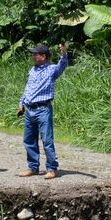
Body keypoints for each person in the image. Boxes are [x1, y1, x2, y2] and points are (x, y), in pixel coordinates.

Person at [17, 43, 68, 179]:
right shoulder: (32, 70)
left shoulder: (51, 70)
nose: (33, 56)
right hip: (29, 110)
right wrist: (21, 103)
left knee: (47, 140)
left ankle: (51, 168)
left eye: (35, 54)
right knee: (29, 140)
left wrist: (63, 54)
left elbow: (62, 64)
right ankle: (32, 167)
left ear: (43, 56)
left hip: (43, 109)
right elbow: (28, 88)